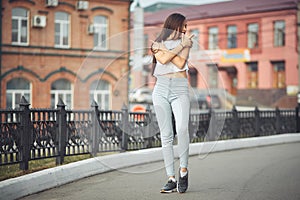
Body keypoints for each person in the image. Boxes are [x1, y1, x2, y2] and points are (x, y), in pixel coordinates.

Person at [151, 13, 193, 193]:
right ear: (174, 25)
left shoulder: (185, 43)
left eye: (186, 27)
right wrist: (180, 46)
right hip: (160, 89)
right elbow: (162, 60)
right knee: (166, 135)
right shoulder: (156, 43)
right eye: (184, 26)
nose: (186, 30)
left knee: (182, 129)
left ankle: (183, 170)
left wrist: (180, 45)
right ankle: (171, 178)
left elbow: (179, 61)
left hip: (180, 88)